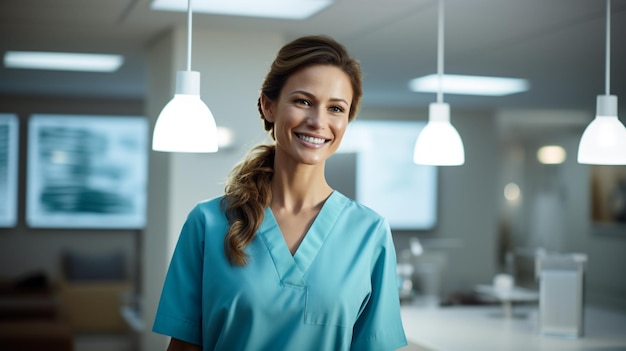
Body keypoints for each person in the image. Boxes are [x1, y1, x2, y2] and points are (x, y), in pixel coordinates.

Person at [153, 35, 408, 351]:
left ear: (347, 120)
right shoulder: (208, 223)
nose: (318, 121)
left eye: (336, 108)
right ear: (268, 105)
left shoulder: (369, 232)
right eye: (303, 101)